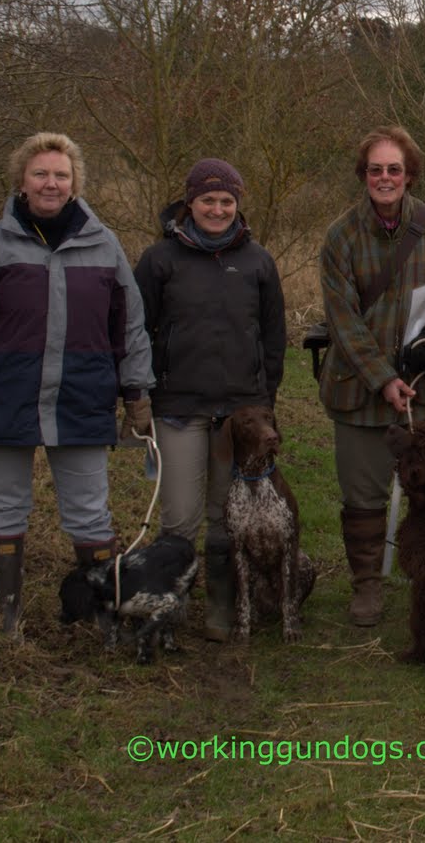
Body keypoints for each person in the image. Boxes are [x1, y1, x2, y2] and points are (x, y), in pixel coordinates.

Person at [0, 131, 155, 640]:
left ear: (75, 183)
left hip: (82, 397)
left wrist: (137, 392)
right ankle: (6, 621)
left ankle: (105, 618)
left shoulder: (104, 245)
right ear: (21, 181)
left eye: (61, 174)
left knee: (88, 511)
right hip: (5, 397)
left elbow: (129, 325)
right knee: (5, 504)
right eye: (41, 174)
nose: (51, 183)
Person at [319, 126, 425, 627]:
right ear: (363, 175)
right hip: (359, 393)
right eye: (375, 170)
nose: (385, 178)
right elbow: (342, 321)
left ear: (409, 174)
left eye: (394, 169)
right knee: (363, 498)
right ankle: (367, 586)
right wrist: (383, 378)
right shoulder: (340, 238)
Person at [133, 158, 286, 641]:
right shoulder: (159, 261)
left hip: (239, 411)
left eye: (226, 201)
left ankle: (222, 604)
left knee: (227, 516)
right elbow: (137, 331)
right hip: (178, 406)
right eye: (207, 200)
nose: (217, 209)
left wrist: (266, 399)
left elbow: (273, 336)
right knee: (180, 517)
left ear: (237, 205)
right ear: (189, 203)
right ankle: (169, 607)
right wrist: (137, 393)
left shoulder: (258, 261)